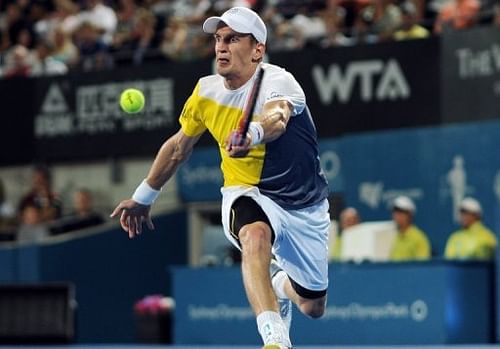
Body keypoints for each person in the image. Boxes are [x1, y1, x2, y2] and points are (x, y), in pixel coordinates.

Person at [111, 7, 330, 349]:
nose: (221, 47)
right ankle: (275, 339)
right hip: (247, 192)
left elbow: (279, 118)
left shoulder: (279, 81)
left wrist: (254, 133)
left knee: (313, 305)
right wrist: (144, 196)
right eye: (217, 39)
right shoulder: (205, 92)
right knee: (255, 236)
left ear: (258, 49)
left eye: (233, 39)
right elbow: (178, 147)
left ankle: (276, 285)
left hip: (305, 206)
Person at [389, 196, 431, 261]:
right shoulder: (396, 237)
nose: (397, 216)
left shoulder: (419, 238)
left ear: (410, 215)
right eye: (395, 212)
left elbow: (422, 267)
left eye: (401, 212)